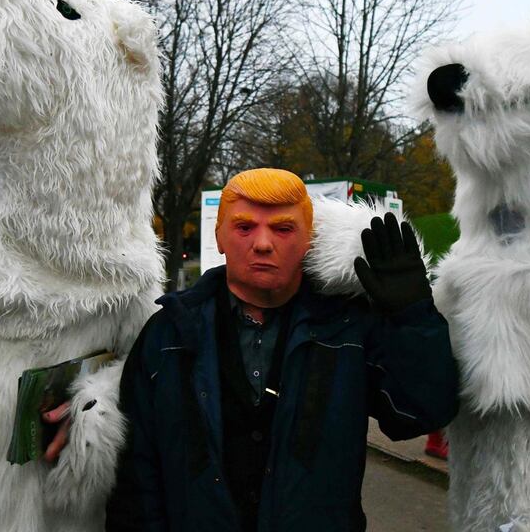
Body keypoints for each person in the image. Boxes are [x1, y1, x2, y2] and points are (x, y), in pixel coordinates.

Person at [106, 168, 459, 531]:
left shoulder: (347, 330)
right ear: (220, 236)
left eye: (283, 229)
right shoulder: (168, 334)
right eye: (245, 227)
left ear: (308, 239)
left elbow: (422, 414)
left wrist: (412, 317)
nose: (262, 243)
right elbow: (136, 475)